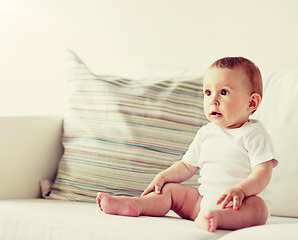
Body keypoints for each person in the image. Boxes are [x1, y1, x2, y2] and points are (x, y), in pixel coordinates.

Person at [96, 57, 278, 232]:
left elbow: (263, 172)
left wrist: (241, 190)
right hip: (201, 203)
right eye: (208, 92)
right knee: (170, 191)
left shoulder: (254, 134)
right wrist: (164, 175)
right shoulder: (206, 133)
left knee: (258, 208)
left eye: (223, 92)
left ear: (251, 102)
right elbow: (186, 166)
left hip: (240, 203)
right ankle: (136, 205)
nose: (213, 100)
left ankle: (218, 218)